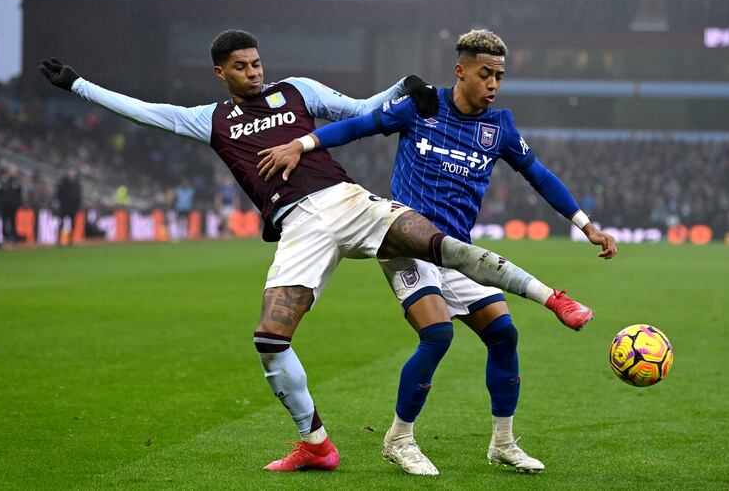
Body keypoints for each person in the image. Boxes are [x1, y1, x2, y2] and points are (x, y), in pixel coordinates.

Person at [39, 29, 594, 473]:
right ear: (221, 73)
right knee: (269, 339)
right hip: (298, 226)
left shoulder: (298, 91)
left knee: (445, 248)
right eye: (242, 67)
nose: (254, 73)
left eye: (257, 63)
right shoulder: (211, 120)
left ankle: (552, 302)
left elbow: (360, 109)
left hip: (347, 199)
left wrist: (404, 86)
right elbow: (141, 109)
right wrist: (79, 85)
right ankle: (317, 444)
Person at [258, 29, 617, 476]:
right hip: (403, 244)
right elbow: (358, 127)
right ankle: (399, 439)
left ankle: (503, 443)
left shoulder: (499, 127)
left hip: (456, 251)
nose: (492, 84)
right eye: (485, 74)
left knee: (504, 335)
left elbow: (539, 176)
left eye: (499, 76)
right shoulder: (422, 108)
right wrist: (302, 143)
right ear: (459, 70)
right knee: (438, 334)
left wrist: (586, 226)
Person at [56, 168, 82, 245]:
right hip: (64, 207)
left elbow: (79, 196)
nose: (71, 173)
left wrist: (78, 206)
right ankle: (59, 240)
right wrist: (61, 203)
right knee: (61, 223)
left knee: (72, 224)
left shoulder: (76, 183)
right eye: (70, 172)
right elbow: (59, 194)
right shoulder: (63, 183)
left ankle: (71, 239)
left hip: (73, 208)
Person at [1, 165, 23, 243]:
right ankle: (5, 235)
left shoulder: (17, 182)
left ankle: (13, 235)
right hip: (5, 206)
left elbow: (19, 194)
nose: (12, 173)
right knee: (5, 221)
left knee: (13, 221)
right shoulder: (4, 182)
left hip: (14, 206)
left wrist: (18, 203)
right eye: (11, 171)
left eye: (14, 171)